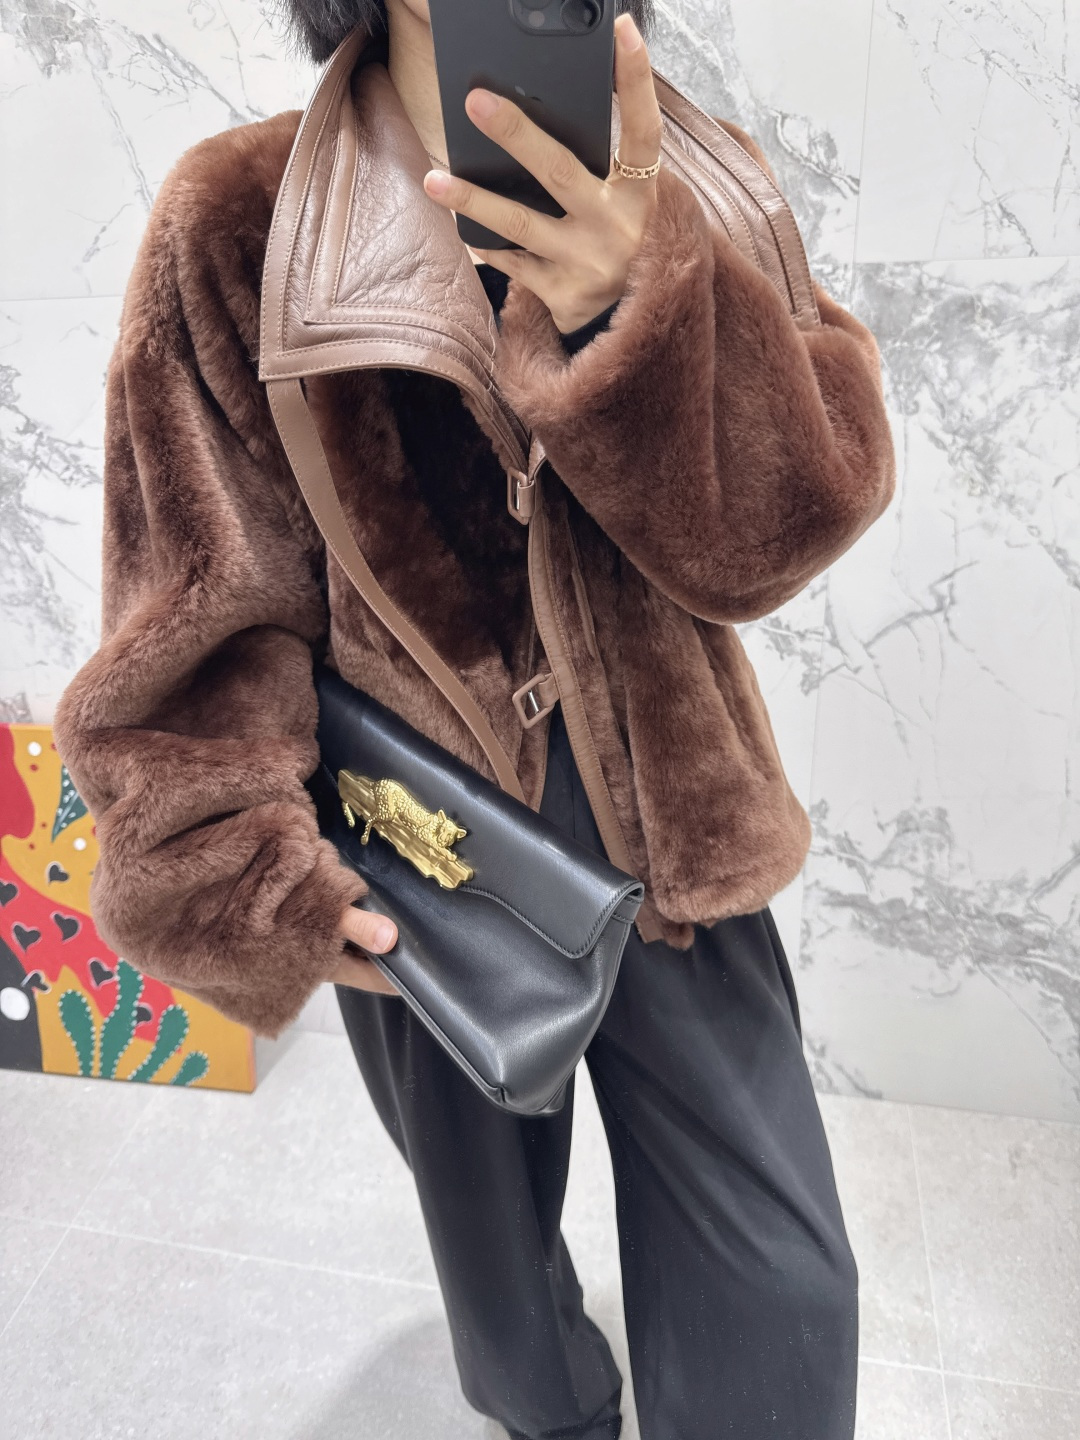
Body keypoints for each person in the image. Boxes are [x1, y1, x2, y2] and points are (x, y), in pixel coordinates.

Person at [53, 2, 896, 1436]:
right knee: (498, 1280)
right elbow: (197, 615)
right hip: (423, 854)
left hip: (677, 820)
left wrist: (644, 309)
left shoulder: (694, 178)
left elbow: (788, 530)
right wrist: (257, 875)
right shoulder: (239, 219)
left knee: (781, 1287)